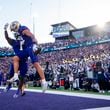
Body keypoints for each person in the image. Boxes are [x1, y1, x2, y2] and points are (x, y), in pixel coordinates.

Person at [4, 21, 47, 92]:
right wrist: (5, 30)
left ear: (17, 26)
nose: (15, 32)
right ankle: (15, 75)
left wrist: (35, 42)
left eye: (14, 30)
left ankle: (44, 81)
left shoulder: (22, 29)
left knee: (35, 63)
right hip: (25, 51)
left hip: (30, 48)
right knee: (15, 58)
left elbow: (30, 34)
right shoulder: (18, 40)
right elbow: (7, 38)